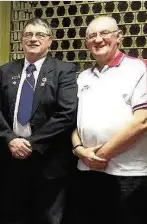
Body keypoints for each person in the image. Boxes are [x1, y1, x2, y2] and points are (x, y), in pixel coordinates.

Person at [0, 17, 78, 224]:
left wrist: (31, 143)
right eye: (28, 34)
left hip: (48, 160)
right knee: (14, 215)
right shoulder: (6, 70)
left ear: (49, 41)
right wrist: (11, 139)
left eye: (39, 35)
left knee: (47, 218)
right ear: (21, 41)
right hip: (12, 159)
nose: (33, 39)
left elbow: (67, 112)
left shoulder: (63, 70)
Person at [71, 16, 147, 224]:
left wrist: (100, 156)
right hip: (87, 171)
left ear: (119, 37)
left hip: (129, 174)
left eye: (104, 33)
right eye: (92, 36)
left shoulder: (139, 68)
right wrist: (79, 150)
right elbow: (74, 122)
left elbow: (142, 121)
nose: (98, 39)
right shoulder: (83, 77)